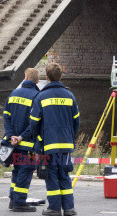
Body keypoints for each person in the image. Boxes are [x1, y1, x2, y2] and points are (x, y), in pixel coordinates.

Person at [30, 63, 80, 216]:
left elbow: (33, 123)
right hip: (66, 145)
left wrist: (38, 141)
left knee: (51, 175)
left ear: (47, 77)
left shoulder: (41, 96)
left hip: (49, 145)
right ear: (60, 76)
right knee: (64, 175)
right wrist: (71, 138)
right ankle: (69, 209)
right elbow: (76, 121)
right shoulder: (70, 96)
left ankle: (54, 208)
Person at [2, 68, 40, 212]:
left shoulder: (13, 94)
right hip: (26, 144)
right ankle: (19, 203)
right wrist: (22, 137)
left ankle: (13, 200)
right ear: (37, 81)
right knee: (25, 171)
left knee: (17, 171)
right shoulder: (37, 96)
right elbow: (34, 123)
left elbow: (6, 116)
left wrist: (11, 135)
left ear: (25, 77)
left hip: (12, 143)